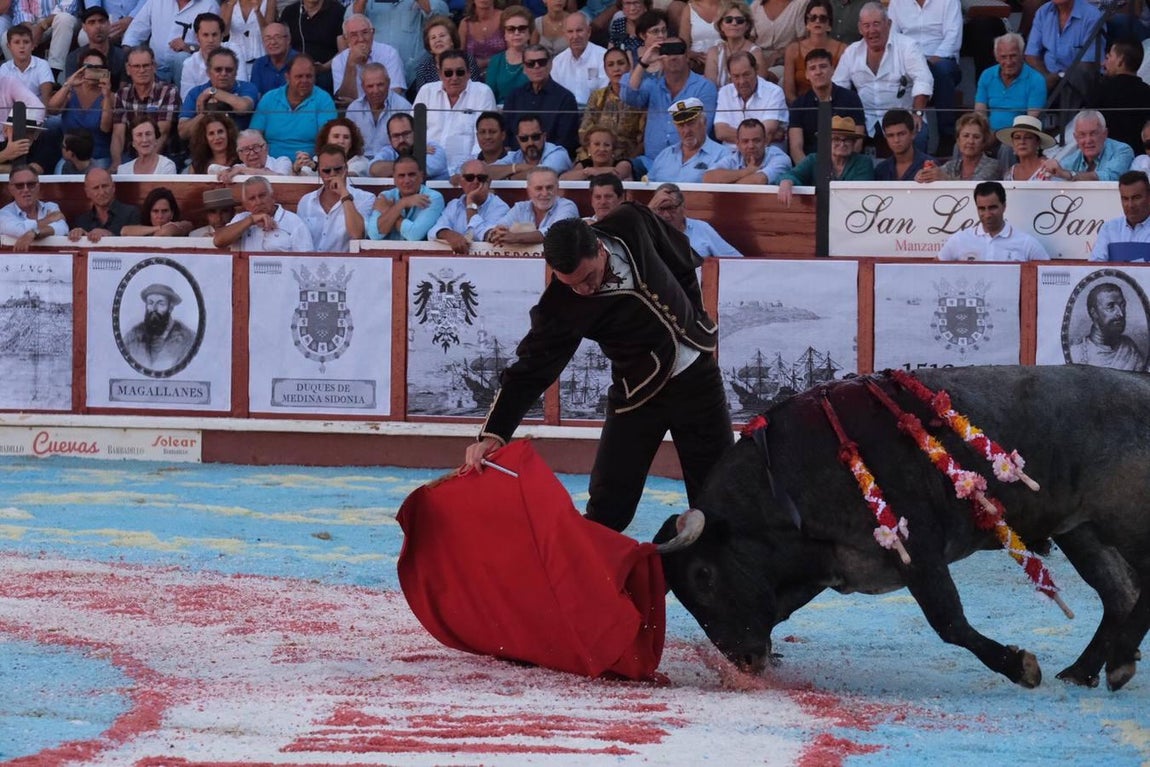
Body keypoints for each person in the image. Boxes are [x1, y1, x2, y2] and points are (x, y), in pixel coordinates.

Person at [462, 206, 734, 534]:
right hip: (638, 395)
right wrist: (494, 433)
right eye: (572, 284)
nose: (584, 290)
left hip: (698, 378)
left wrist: (696, 320)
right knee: (608, 507)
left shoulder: (632, 222)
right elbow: (531, 367)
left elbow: (680, 257)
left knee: (720, 496)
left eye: (588, 277)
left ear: (599, 247)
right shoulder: (560, 306)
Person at [832, 2, 933, 152]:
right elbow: (837, 88)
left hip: (903, 118)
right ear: (860, 28)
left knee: (919, 133)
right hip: (865, 120)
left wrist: (917, 114)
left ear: (889, 24)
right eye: (866, 25)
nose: (871, 30)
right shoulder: (851, 52)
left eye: (876, 24)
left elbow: (923, 79)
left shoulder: (908, 46)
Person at [622, 37, 718, 172]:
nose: (673, 57)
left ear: (687, 56)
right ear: (660, 57)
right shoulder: (653, 85)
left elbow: (703, 129)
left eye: (678, 51)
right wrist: (643, 63)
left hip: (689, 162)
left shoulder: (704, 87)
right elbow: (629, 97)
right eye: (667, 52)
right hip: (651, 162)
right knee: (623, 168)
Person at [888, 0, 962, 157]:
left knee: (942, 71)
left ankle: (947, 135)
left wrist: (929, 62)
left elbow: (953, 38)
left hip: (941, 59)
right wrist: (912, 61)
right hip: (908, 58)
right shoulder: (897, 3)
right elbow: (892, 36)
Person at [414, 49, 498, 173]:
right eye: (448, 73)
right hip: (428, 167)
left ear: (469, 73)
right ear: (440, 74)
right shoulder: (426, 91)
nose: (454, 78)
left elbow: (484, 138)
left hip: (466, 171)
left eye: (460, 72)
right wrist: (419, 147)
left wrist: (470, 169)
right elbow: (413, 130)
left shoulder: (482, 92)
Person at [249, 55, 338, 160]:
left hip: (308, 163)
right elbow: (254, 135)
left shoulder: (324, 99)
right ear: (287, 77)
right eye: (299, 76)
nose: (304, 80)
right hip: (271, 163)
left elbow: (327, 139)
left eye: (309, 76)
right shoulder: (269, 98)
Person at [787, 46, 865, 164]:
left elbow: (858, 141)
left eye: (823, 66)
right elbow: (796, 148)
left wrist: (840, 169)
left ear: (833, 70)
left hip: (846, 165)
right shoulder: (799, 104)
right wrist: (809, 171)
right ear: (807, 75)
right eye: (812, 68)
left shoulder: (851, 98)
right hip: (810, 167)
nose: (818, 72)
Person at [937, 181, 1049, 262]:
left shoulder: (1026, 243)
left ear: (1004, 206)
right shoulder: (960, 240)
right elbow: (934, 270)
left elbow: (1046, 274)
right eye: (982, 208)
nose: (987, 214)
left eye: (992, 208)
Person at [1024, 0, 1102, 116]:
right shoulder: (1043, 12)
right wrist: (1046, 76)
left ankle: (1065, 126)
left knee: (1076, 77)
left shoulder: (1092, 16)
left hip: (1077, 81)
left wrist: (1061, 77)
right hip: (1046, 76)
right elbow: (1031, 54)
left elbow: (1088, 64)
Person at [777, 115, 875, 206]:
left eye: (847, 140)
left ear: (853, 143)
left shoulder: (863, 162)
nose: (842, 144)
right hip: (817, 211)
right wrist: (787, 181)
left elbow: (858, 193)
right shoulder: (813, 159)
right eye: (836, 139)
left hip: (851, 212)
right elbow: (792, 174)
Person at [110, 46, 180, 171]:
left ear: (154, 66)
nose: (142, 70)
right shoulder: (122, 95)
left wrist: (146, 164)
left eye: (146, 65)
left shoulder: (168, 91)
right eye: (137, 66)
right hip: (131, 154)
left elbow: (162, 133)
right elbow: (118, 134)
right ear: (128, 69)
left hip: (163, 155)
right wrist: (116, 164)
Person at [502, 45, 580, 156]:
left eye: (541, 62)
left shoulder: (565, 98)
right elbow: (506, 135)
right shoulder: (514, 96)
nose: (536, 66)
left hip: (552, 158)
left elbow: (565, 141)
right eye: (530, 63)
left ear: (550, 65)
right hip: (517, 157)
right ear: (524, 68)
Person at [123, 0, 222, 88]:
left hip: (187, 71)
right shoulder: (156, 2)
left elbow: (213, 45)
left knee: (181, 58)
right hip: (155, 67)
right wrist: (129, 56)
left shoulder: (209, 5)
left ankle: (184, 100)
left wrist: (189, 47)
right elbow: (134, 33)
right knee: (136, 60)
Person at [296, 144, 375, 252]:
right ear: (319, 171)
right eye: (327, 171)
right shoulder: (306, 201)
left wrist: (344, 194)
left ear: (346, 168)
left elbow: (357, 235)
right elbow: (299, 241)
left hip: (345, 261)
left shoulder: (365, 198)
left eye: (338, 169)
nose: (333, 174)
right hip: (311, 260)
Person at [354, 0, 449, 86]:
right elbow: (351, 21)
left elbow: (442, 16)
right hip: (376, 78)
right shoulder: (369, 3)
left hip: (417, 75)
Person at [49, 50, 114, 170]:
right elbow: (52, 110)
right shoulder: (71, 92)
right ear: (81, 69)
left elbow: (105, 128)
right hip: (70, 156)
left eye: (98, 68)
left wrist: (106, 96)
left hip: (98, 156)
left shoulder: (109, 96)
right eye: (89, 66)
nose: (93, 70)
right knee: (60, 172)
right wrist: (68, 84)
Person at [579, 46, 646, 161]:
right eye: (610, 65)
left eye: (621, 63)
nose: (616, 69)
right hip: (596, 155)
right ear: (605, 70)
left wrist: (629, 162)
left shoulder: (640, 97)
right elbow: (584, 132)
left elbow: (644, 140)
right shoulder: (597, 96)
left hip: (627, 158)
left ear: (629, 66)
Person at [213, 175, 315, 251]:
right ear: (246, 205)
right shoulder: (241, 218)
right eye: (252, 198)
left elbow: (306, 260)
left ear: (272, 197)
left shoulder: (293, 222)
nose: (258, 202)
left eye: (262, 196)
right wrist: (251, 220)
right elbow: (218, 241)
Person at [973, 32, 1046, 139]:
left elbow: (1031, 119)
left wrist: (1001, 137)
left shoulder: (1036, 79)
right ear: (996, 57)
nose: (1008, 62)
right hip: (989, 133)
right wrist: (984, 135)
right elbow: (980, 111)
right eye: (1003, 57)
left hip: (1020, 135)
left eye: (1013, 56)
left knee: (1006, 146)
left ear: (1022, 55)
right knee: (963, 143)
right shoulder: (987, 75)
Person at [177, 48, 259, 141]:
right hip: (206, 145)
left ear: (236, 72)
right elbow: (183, 132)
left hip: (240, 144)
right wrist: (208, 112)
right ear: (208, 72)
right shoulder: (195, 93)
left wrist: (213, 92)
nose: (223, 73)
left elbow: (244, 107)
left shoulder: (247, 87)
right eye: (218, 69)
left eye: (229, 70)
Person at [429, 158, 510, 252]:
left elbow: (485, 236)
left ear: (489, 182)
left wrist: (471, 203)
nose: (475, 182)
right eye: (469, 178)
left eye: (481, 178)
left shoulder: (500, 207)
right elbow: (433, 231)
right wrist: (450, 235)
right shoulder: (454, 205)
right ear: (461, 182)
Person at [485, 166, 579, 246]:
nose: (545, 193)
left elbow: (555, 233)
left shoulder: (568, 206)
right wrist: (498, 233)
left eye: (549, 188)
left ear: (557, 188)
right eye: (539, 188)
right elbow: (501, 227)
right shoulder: (520, 208)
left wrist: (515, 237)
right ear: (528, 191)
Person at [713, 50, 787, 146]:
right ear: (730, 75)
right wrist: (760, 137)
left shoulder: (774, 92)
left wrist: (733, 136)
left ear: (756, 70)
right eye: (736, 76)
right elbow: (720, 132)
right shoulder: (724, 92)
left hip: (766, 152)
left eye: (746, 74)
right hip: (730, 153)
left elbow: (767, 132)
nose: (742, 81)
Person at [647, 97, 729, 183]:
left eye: (691, 124)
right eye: (681, 125)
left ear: (704, 122)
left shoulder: (722, 155)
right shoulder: (664, 155)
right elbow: (648, 185)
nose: (686, 131)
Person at [332, 14, 407, 107]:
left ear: (373, 33)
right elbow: (343, 102)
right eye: (354, 35)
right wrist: (351, 64)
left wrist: (358, 104)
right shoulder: (338, 61)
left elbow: (395, 92)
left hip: (390, 111)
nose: (361, 39)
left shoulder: (389, 53)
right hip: (354, 114)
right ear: (345, 38)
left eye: (365, 32)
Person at [1069, 282, 1147, 371]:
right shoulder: (1077, 353)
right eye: (1111, 307)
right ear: (1094, 313)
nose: (1120, 314)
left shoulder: (1131, 350)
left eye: (1122, 306)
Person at [648, 181, 740, 256]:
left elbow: (735, 260)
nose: (666, 215)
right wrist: (649, 208)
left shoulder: (701, 228)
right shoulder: (648, 230)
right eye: (661, 209)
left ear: (683, 206)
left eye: (671, 208)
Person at [1041, 110, 1135, 183]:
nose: (1088, 140)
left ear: (1105, 134)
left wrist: (1070, 175)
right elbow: (1058, 178)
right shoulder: (1070, 160)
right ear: (1076, 138)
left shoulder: (1122, 150)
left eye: (1093, 133)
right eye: (1082, 135)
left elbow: (1110, 176)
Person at [367, 155, 446, 241]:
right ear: (394, 178)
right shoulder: (386, 196)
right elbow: (374, 235)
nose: (407, 180)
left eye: (411, 175)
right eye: (401, 175)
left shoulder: (433, 198)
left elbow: (414, 235)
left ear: (421, 176)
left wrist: (388, 210)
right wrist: (402, 204)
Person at [347, 63, 413, 163]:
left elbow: (410, 142)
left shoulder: (403, 107)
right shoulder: (354, 108)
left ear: (389, 83)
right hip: (359, 162)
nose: (376, 90)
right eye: (370, 86)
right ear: (363, 87)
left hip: (392, 161)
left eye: (380, 85)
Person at [122, 283, 197, 371]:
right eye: (150, 303)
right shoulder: (132, 336)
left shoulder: (189, 338)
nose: (154, 308)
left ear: (170, 308)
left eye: (161, 304)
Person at [782, 0, 844, 102]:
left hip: (835, 105)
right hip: (801, 106)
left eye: (823, 18)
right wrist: (801, 107)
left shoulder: (842, 50)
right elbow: (789, 91)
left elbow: (844, 86)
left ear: (829, 25)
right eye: (812, 18)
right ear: (807, 23)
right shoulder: (793, 50)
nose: (817, 21)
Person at [1097, 40, 1150, 157]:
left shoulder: (1101, 91)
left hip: (1107, 160)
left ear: (1120, 61)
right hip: (1140, 160)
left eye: (1109, 57)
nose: (1103, 63)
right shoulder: (1147, 93)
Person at [408, 15, 481, 100]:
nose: (438, 40)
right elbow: (423, 99)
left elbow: (475, 91)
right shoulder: (423, 69)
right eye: (433, 38)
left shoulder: (467, 60)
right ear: (429, 47)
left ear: (452, 40)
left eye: (442, 36)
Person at [180, 11, 249, 100]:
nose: (210, 40)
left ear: (222, 36)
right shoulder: (189, 64)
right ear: (197, 37)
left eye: (214, 35)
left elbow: (241, 88)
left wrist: (210, 93)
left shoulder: (234, 51)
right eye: (205, 35)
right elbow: (187, 99)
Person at [278, 0, 344, 91]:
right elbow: (282, 43)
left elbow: (342, 51)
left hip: (326, 68)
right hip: (295, 68)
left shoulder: (337, 10)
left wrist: (324, 67)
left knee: (323, 81)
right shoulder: (290, 12)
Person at [915, 111, 999, 182]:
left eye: (976, 137)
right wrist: (925, 175)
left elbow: (976, 187)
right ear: (958, 140)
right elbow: (938, 173)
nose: (970, 141)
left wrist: (945, 178)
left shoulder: (993, 166)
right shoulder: (951, 165)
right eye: (966, 136)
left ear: (984, 142)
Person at [703, 118, 792, 184]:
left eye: (756, 140)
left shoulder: (780, 158)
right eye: (745, 141)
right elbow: (708, 177)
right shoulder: (734, 158)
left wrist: (728, 182)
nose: (751, 146)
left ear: (765, 141)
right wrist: (747, 171)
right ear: (738, 144)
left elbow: (759, 181)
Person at [704, 0, 769, 90]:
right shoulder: (714, 52)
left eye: (740, 20)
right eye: (728, 20)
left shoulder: (756, 53)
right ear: (721, 26)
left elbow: (760, 88)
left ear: (747, 26)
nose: (734, 23)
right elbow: (710, 88)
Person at [0, 167, 69, 251]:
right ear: (11, 189)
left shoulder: (51, 207)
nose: (26, 189)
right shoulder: (3, 214)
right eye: (19, 185)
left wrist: (34, 233)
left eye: (31, 184)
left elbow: (62, 228)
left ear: (38, 186)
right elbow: (21, 230)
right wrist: (49, 220)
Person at [487, 114, 574, 179]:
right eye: (524, 138)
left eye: (535, 137)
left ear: (544, 136)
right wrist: (517, 167)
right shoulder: (515, 156)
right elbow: (487, 172)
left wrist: (509, 178)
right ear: (518, 139)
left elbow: (541, 174)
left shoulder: (558, 153)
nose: (530, 143)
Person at [1090, 171, 1150, 262]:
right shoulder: (1109, 228)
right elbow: (1096, 265)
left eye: (1136, 198)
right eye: (1125, 198)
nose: (1130, 205)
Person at [369, 112, 449, 180]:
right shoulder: (389, 151)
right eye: (396, 136)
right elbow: (374, 169)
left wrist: (390, 169)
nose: (401, 140)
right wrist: (416, 155)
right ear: (390, 139)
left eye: (406, 134)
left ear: (416, 133)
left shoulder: (433, 148)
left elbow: (421, 171)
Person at [551, 13, 609, 106]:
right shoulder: (558, 62)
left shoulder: (603, 57)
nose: (575, 36)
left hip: (595, 112)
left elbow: (606, 94)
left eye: (579, 30)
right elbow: (555, 96)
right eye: (570, 31)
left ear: (589, 32)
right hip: (566, 112)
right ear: (564, 35)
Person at [67, 167, 139, 241]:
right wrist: (79, 235)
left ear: (113, 187)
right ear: (87, 192)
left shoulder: (131, 213)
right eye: (96, 188)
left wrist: (110, 235)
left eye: (105, 186)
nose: (101, 192)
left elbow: (136, 243)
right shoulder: (81, 221)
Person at [12, 0, 79, 78]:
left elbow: (66, 7)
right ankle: (21, 77)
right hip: (33, 23)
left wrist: (41, 27)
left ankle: (53, 72)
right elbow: (20, 9)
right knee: (7, 38)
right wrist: (30, 30)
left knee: (64, 19)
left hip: (61, 17)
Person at [485, 5, 534, 104]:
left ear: (529, 33)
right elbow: (489, 95)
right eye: (511, 29)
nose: (516, 33)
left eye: (522, 28)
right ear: (504, 34)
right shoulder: (496, 61)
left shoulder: (539, 59)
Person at [874, 108, 933, 181]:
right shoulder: (881, 169)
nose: (896, 140)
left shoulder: (929, 165)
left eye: (901, 134)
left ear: (913, 134)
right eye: (890, 135)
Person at [1, 24, 54, 103]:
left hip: (37, 109)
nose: (22, 46)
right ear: (9, 46)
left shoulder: (42, 65)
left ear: (32, 45)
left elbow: (46, 100)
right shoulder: (4, 68)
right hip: (12, 110)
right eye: (17, 42)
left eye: (26, 42)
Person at [561, 125, 633, 181]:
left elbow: (616, 175)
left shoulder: (624, 164)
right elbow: (563, 178)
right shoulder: (583, 164)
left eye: (607, 145)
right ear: (588, 148)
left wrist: (588, 172)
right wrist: (590, 171)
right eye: (596, 144)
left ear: (613, 149)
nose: (602, 149)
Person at [217, 128, 291, 181]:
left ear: (266, 148)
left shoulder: (282, 161)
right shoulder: (238, 168)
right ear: (239, 155)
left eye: (256, 147)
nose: (252, 153)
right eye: (246, 149)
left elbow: (281, 179)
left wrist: (243, 170)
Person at [220, 0, 275, 72]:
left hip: (261, 57)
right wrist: (230, 6)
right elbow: (224, 33)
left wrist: (258, 12)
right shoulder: (226, 4)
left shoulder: (269, 2)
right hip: (235, 61)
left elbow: (268, 33)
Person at [120, 187, 196, 236]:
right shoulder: (144, 229)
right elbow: (124, 231)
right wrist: (158, 228)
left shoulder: (181, 225)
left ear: (172, 213)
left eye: (165, 211)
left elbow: (165, 232)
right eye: (155, 211)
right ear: (149, 213)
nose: (160, 216)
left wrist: (162, 229)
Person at [460, 0, 507, 80]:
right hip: (472, 77)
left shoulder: (504, 18)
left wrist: (489, 62)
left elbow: (513, 51)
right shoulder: (465, 23)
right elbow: (460, 56)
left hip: (502, 72)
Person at [1000, 114, 1055, 181]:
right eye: (1017, 138)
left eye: (1028, 137)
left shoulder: (1049, 167)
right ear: (1013, 143)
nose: (1022, 142)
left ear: (1038, 142)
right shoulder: (1010, 173)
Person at [248, 22, 296, 95]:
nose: (273, 42)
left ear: (288, 39)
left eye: (277, 37)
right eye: (268, 38)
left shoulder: (300, 62)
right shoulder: (259, 64)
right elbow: (255, 95)